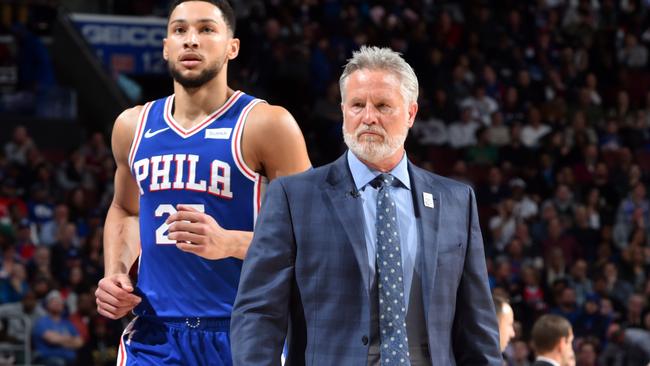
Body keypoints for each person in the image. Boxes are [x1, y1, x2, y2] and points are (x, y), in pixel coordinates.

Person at [231, 46, 501, 365]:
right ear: (344, 109)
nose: (368, 117)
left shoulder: (456, 200)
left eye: (383, 105)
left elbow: (477, 328)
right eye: (358, 105)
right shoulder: (294, 196)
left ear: (411, 113)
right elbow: (258, 313)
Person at [93, 0, 311, 365]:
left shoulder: (267, 124)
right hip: (154, 336)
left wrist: (229, 242)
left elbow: (314, 233)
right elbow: (126, 210)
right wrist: (115, 273)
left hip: (244, 331)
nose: (191, 40)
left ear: (232, 46)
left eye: (206, 29)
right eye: (180, 30)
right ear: (165, 47)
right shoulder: (132, 126)